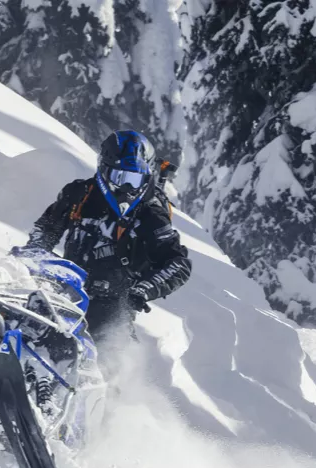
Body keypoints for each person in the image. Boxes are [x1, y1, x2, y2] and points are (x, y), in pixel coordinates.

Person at [16, 130, 192, 341]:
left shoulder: (151, 215)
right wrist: (36, 254)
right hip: (64, 289)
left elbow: (178, 262)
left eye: (135, 180)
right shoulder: (79, 194)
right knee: (23, 323)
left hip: (114, 305)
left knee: (112, 357)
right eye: (121, 178)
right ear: (104, 170)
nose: (128, 188)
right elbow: (46, 228)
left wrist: (144, 290)